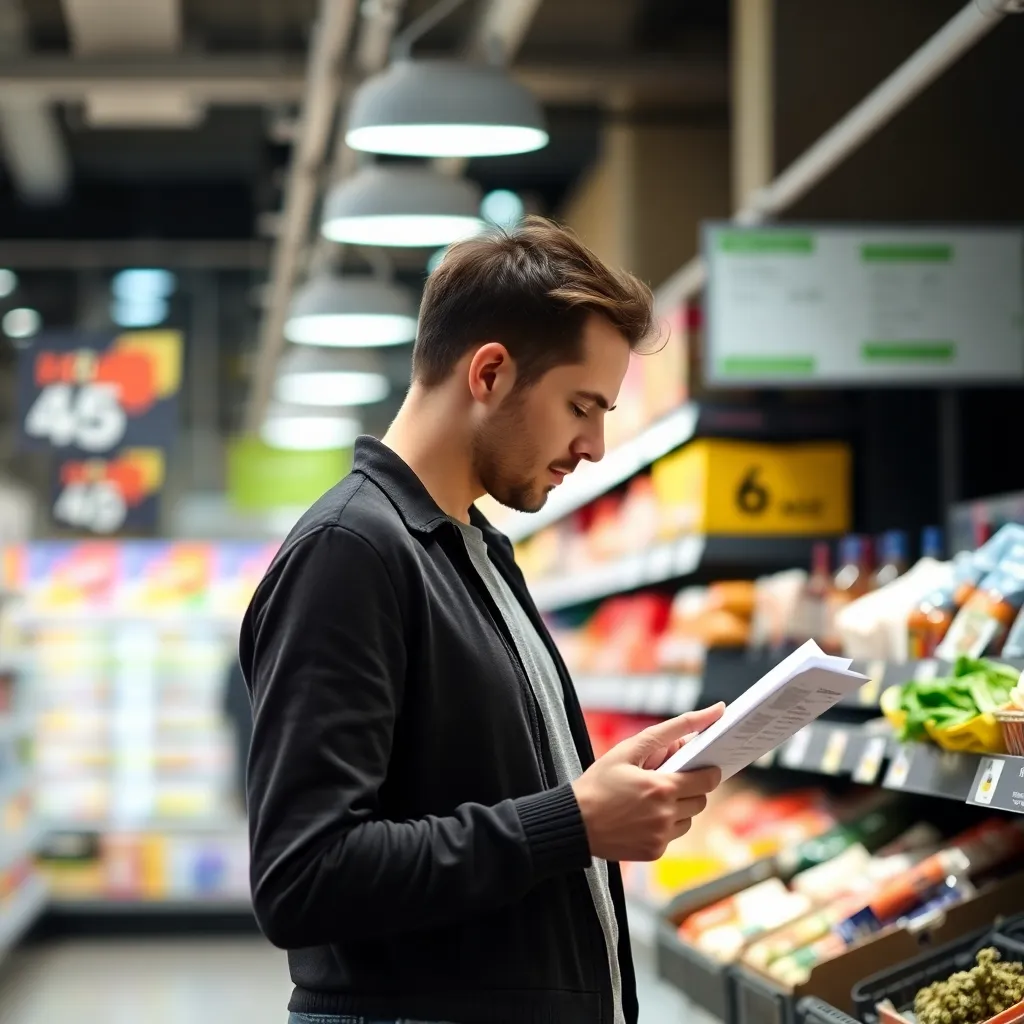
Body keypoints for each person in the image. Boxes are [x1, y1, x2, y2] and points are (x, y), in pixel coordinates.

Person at [240, 217, 724, 1024]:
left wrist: (595, 788)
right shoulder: (350, 553)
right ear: (491, 372)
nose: (596, 446)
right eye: (582, 405)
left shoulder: (471, 550)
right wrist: (569, 820)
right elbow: (304, 875)